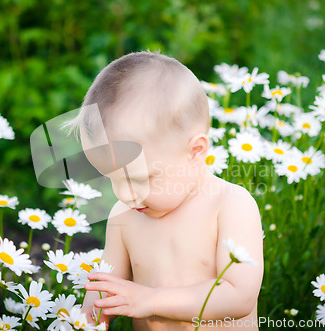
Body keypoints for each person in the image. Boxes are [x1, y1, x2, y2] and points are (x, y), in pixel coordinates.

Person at [65, 51, 263, 330]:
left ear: (195, 151)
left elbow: (238, 295)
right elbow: (104, 287)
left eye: (140, 178)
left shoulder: (230, 206)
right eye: (113, 179)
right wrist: (90, 315)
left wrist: (152, 300)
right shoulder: (124, 217)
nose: (126, 195)